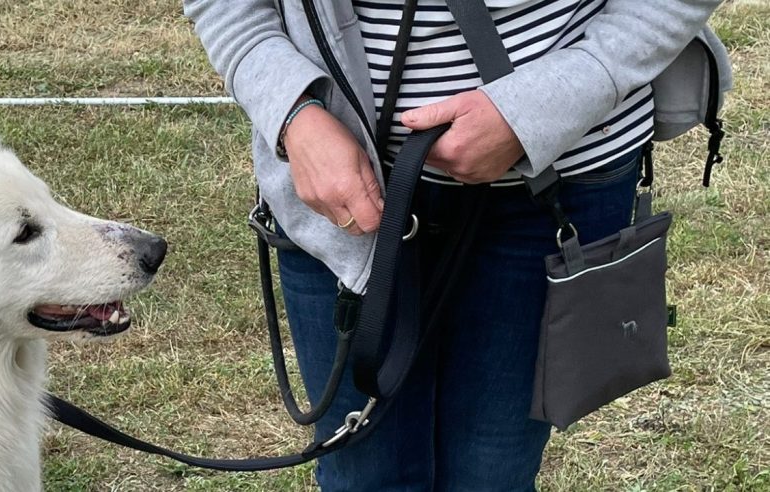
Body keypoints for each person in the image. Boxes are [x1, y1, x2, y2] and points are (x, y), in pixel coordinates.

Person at [183, 0, 724, 490]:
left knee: (494, 474)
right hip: (339, 199)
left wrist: (557, 97)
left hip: (558, 183)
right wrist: (293, 114)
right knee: (364, 476)